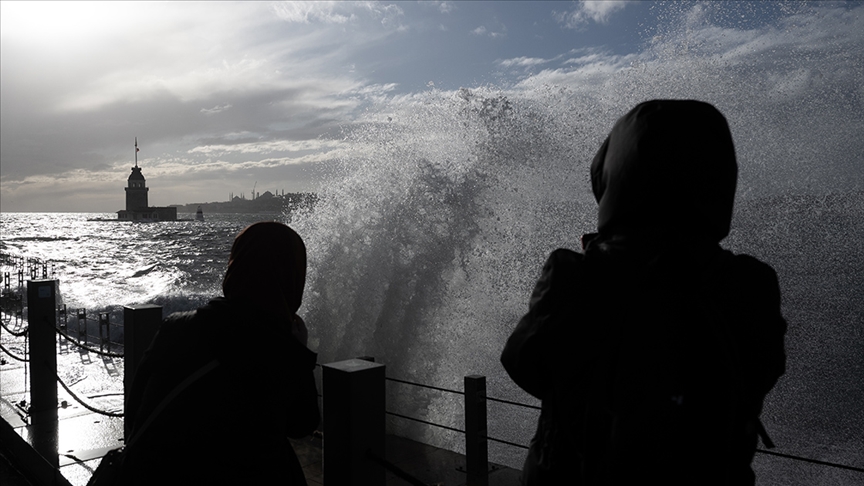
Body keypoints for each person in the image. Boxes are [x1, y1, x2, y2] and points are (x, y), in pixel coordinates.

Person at [501, 100, 787, 485]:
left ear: (614, 175)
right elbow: (761, 373)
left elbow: (523, 362)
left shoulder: (574, 274)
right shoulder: (751, 283)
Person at [121, 222, 320, 485]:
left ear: (235, 266)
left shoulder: (175, 327)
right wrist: (299, 351)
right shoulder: (279, 349)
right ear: (292, 277)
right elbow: (302, 424)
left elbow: (135, 411)